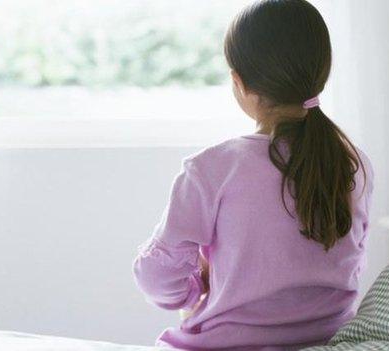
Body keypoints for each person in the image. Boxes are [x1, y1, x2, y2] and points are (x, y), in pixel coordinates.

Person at [133, 1, 374, 349]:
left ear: (239, 82)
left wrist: (195, 290)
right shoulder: (355, 164)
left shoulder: (211, 168)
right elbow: (349, 260)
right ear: (319, 73)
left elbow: (158, 278)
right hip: (329, 339)